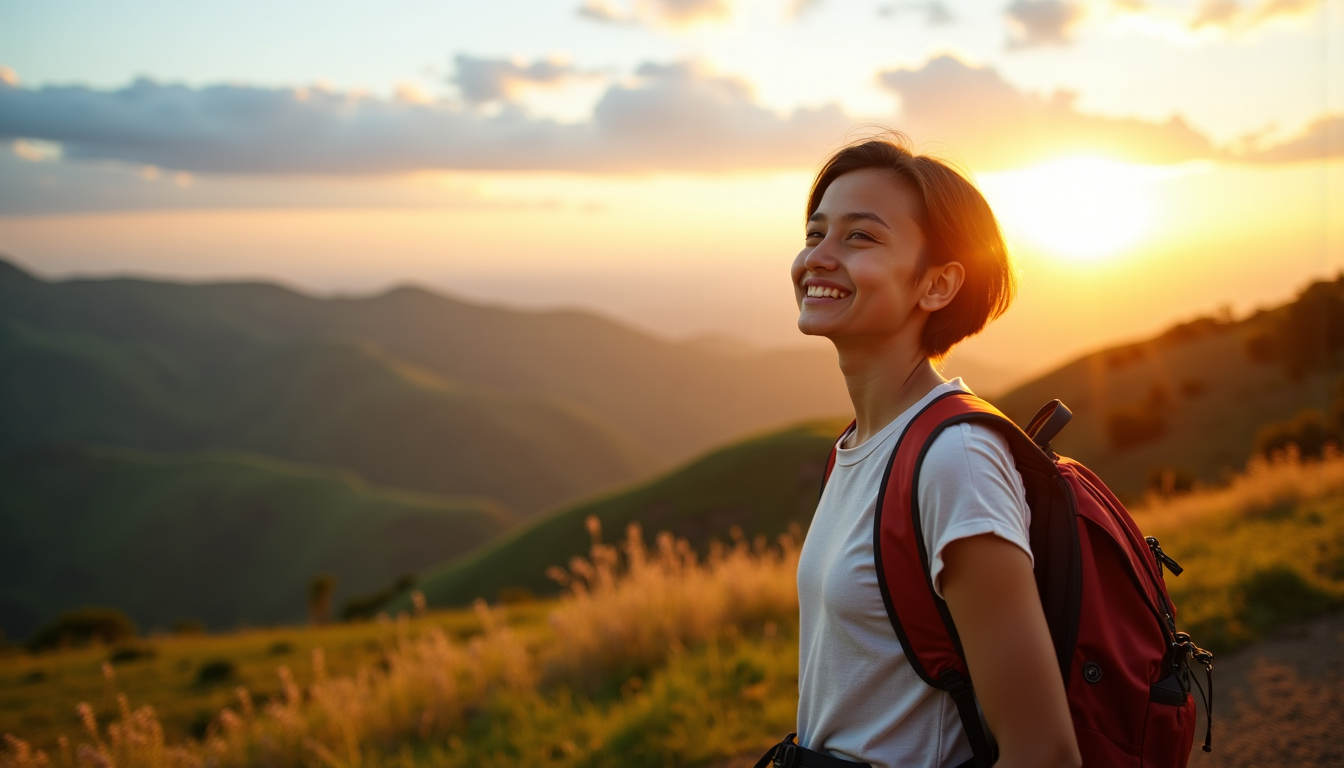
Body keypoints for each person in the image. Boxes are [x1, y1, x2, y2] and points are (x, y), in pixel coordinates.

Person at [790, 135, 1082, 768]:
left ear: (938, 284)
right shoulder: (861, 445)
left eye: (859, 236)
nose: (818, 257)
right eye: (815, 233)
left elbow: (1044, 751)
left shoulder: (956, 461)